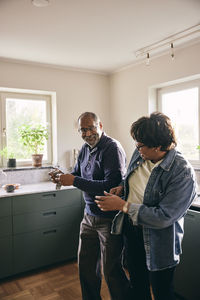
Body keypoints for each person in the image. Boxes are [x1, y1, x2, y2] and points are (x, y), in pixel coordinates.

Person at [95, 112, 197, 300]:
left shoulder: (182, 173)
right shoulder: (141, 153)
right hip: (132, 231)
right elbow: (131, 179)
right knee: (138, 285)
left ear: (158, 146)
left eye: (140, 145)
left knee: (162, 292)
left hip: (160, 241)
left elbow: (164, 217)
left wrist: (123, 206)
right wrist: (122, 189)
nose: (137, 148)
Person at [50, 112, 131, 300]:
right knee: (86, 269)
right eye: (82, 130)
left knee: (112, 272)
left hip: (109, 219)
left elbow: (111, 186)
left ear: (100, 126)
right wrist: (63, 176)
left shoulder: (112, 148)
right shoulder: (85, 148)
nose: (87, 133)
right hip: (88, 216)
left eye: (91, 128)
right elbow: (77, 173)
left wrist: (75, 180)